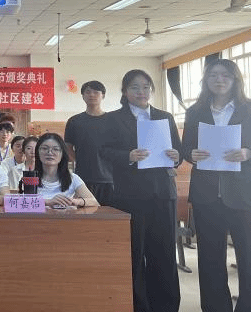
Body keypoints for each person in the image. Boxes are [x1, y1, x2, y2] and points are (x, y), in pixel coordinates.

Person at [101, 69, 181, 312]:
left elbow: (178, 152)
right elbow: (104, 151)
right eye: (135, 87)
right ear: (125, 91)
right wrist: (128, 155)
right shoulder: (113, 119)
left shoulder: (165, 117)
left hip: (163, 193)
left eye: (146, 87)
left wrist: (176, 156)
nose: (141, 92)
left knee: (164, 252)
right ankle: (138, 304)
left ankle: (166, 305)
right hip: (131, 195)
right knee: (135, 253)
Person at [182, 58, 251, 312]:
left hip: (243, 194)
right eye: (213, 75)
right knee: (210, 257)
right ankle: (215, 307)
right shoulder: (195, 111)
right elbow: (186, 147)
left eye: (225, 75)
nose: (219, 80)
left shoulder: (248, 109)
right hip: (207, 194)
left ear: (235, 80)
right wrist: (191, 154)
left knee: (248, 255)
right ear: (206, 80)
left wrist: (247, 153)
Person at [64, 80, 114, 206]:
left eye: (96, 92)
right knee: (85, 214)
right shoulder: (74, 121)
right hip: (83, 179)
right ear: (83, 96)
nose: (92, 95)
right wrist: (80, 160)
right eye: (88, 92)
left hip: (110, 179)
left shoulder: (113, 121)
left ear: (103, 95)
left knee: (109, 214)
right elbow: (68, 147)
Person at [34, 133, 98, 207]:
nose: (50, 152)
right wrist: (48, 202)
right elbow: (21, 203)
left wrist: (76, 201)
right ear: (37, 152)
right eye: (45, 148)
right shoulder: (28, 178)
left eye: (55, 149)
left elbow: (94, 202)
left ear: (62, 154)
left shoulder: (73, 178)